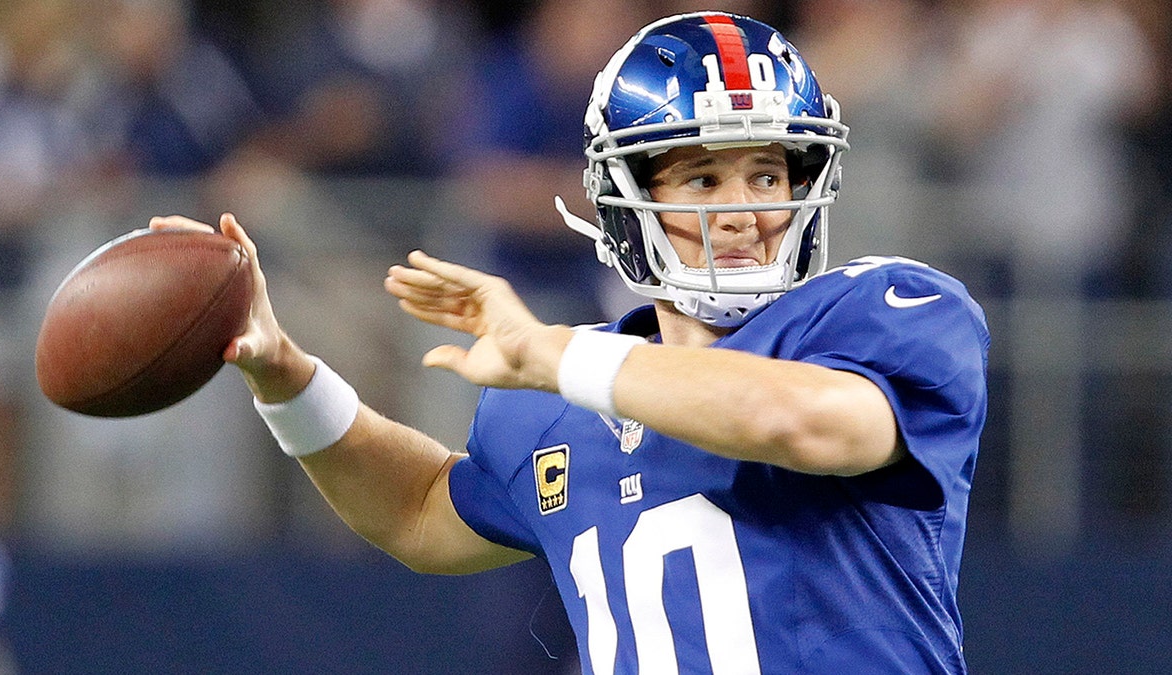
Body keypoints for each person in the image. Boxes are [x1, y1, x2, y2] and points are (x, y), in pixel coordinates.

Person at [153, 12, 989, 673]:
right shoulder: (559, 404)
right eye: (703, 177)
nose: (742, 211)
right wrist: (286, 377)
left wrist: (561, 357)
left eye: (767, 175)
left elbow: (807, 424)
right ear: (627, 206)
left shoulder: (886, 311)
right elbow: (415, 511)